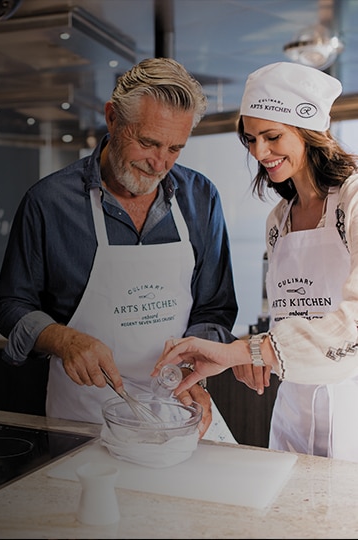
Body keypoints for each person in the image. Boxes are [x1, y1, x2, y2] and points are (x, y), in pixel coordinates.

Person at [0, 57, 239, 440]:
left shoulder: (201, 197)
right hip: (84, 415)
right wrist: (63, 339)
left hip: (179, 408)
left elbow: (214, 308)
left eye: (175, 148)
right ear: (112, 119)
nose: (160, 164)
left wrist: (194, 372)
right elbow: (11, 305)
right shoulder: (49, 203)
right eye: (148, 142)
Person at [153, 61, 358, 461]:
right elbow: (285, 324)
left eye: (272, 136)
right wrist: (255, 355)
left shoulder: (354, 200)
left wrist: (249, 350)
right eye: (250, 139)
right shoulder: (278, 221)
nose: (259, 152)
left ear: (309, 130)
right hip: (291, 415)